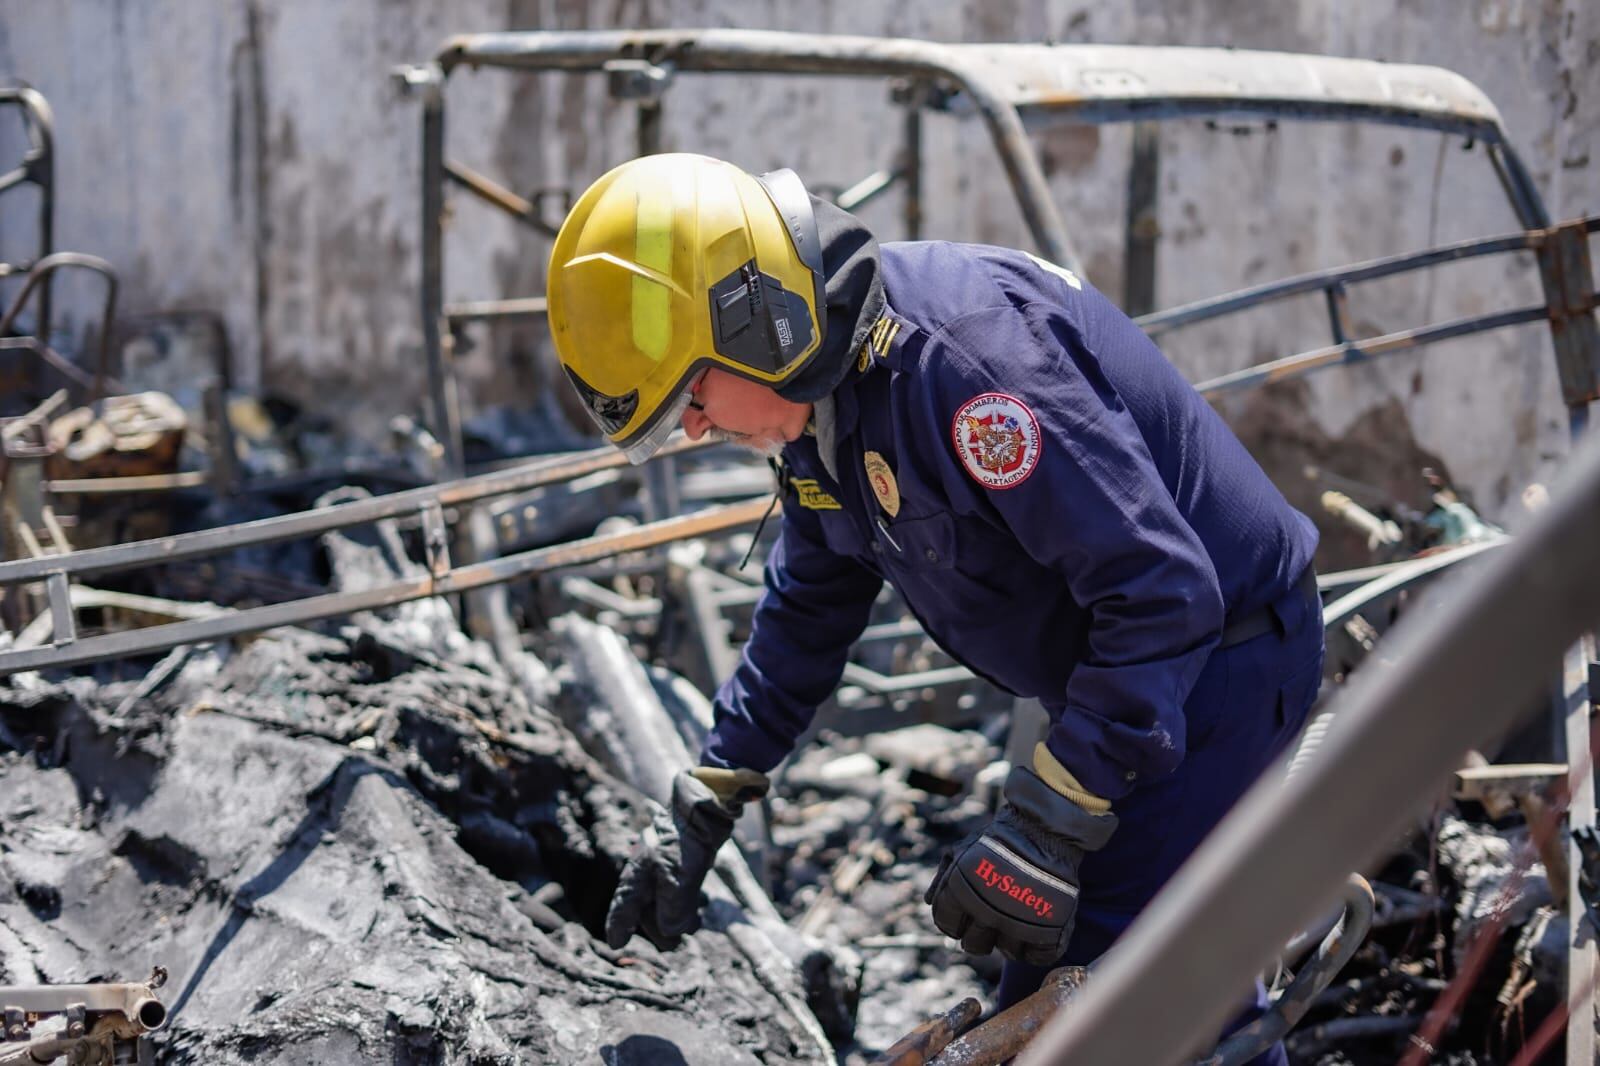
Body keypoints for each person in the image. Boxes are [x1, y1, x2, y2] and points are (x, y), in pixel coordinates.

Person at [545, 153, 1324, 1064]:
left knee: (1134, 999)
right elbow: (811, 607)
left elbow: (1162, 592)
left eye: (691, 395)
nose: (692, 429)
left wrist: (1051, 815)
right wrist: (715, 789)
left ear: (754, 321)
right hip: (1121, 681)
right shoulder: (817, 403)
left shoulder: (966, 367)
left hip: (1217, 666)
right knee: (1053, 999)